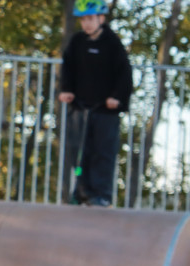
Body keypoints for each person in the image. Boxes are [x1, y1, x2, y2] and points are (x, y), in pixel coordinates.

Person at [58, 0, 132, 207]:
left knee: (102, 152)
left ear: (101, 18)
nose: (86, 24)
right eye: (83, 19)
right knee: (79, 151)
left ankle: (101, 194)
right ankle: (81, 191)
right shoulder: (77, 42)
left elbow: (124, 73)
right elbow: (68, 69)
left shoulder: (112, 43)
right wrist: (66, 90)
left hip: (104, 110)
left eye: (90, 19)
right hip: (80, 107)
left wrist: (117, 97)